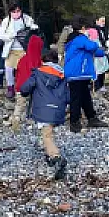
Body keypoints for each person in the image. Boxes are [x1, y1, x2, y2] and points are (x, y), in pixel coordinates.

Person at [20, 49, 69, 180]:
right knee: (48, 133)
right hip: (58, 108)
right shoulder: (62, 75)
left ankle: (56, 157)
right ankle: (50, 157)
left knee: (46, 136)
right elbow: (68, 95)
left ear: (43, 61)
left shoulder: (38, 73)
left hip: (43, 108)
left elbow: (25, 88)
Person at [63, 16, 107, 132]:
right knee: (76, 98)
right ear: (82, 27)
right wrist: (95, 41)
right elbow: (91, 46)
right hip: (77, 73)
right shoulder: (79, 39)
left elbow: (95, 51)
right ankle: (74, 122)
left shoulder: (77, 39)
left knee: (85, 97)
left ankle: (91, 117)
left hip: (80, 74)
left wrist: (103, 52)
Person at [0, 3, 39, 99]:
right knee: (9, 69)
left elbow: (33, 27)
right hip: (11, 49)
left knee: (24, 69)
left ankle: (24, 87)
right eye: (14, 11)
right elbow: (1, 35)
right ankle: (10, 87)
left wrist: (33, 27)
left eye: (18, 11)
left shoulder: (26, 18)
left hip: (23, 49)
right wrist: (11, 36)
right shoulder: (6, 21)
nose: (16, 13)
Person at [10, 33, 45, 131]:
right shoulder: (38, 60)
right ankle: (31, 118)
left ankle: (16, 117)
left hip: (20, 85)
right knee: (33, 101)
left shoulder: (22, 59)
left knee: (20, 104)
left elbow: (17, 72)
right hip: (32, 85)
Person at [94, 17, 109, 91]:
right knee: (97, 69)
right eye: (102, 21)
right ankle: (97, 86)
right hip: (97, 52)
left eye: (104, 21)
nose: (103, 23)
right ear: (97, 21)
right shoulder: (94, 31)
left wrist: (108, 46)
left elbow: (107, 39)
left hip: (103, 52)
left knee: (103, 69)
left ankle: (102, 85)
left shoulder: (105, 30)